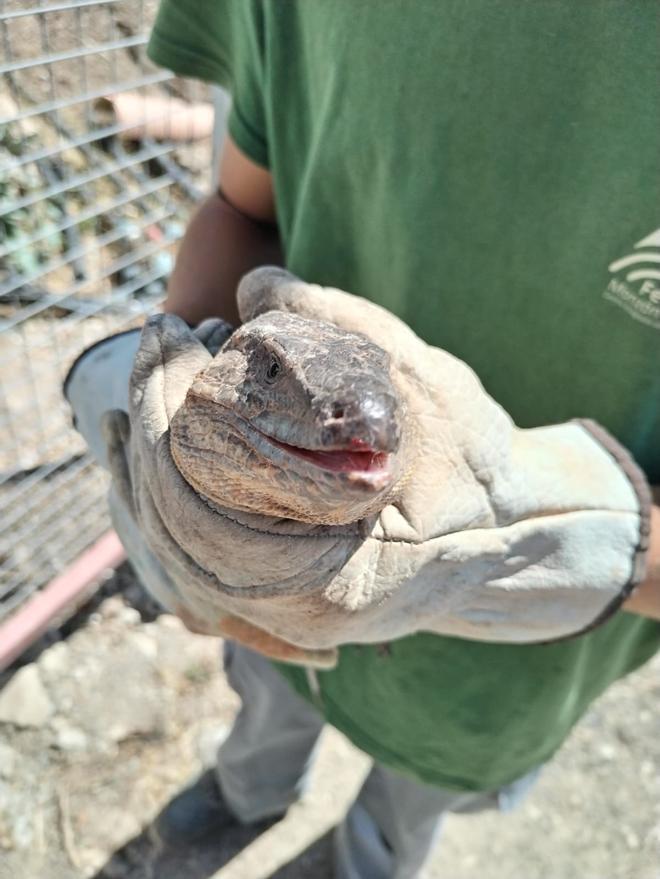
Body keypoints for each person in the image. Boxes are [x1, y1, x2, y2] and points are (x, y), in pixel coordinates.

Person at [133, 3, 660, 877]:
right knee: (269, 694)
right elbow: (240, 208)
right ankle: (247, 794)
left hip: (514, 656)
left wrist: (596, 547)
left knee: (412, 802)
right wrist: (167, 425)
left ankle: (363, 860)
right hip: (269, 564)